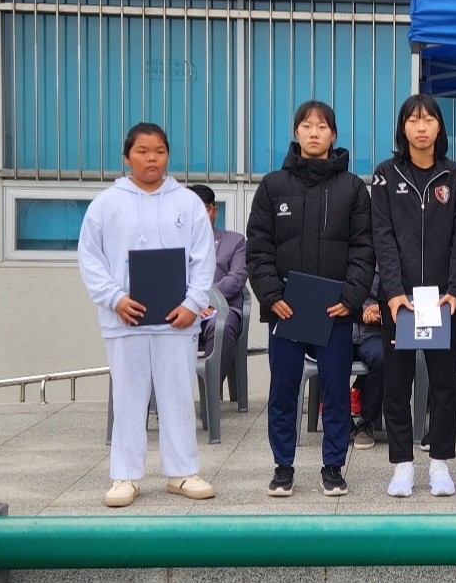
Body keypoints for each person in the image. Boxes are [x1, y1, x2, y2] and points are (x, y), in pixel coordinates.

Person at [78, 122, 217, 508]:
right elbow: (90, 259)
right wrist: (114, 298)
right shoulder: (106, 204)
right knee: (128, 397)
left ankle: (182, 471)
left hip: (177, 321)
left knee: (177, 395)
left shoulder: (187, 202)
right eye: (142, 151)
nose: (151, 158)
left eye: (158, 150)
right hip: (125, 320)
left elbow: (203, 259)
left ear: (168, 155)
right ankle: (125, 476)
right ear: (127, 157)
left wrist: (192, 304)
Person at [246, 100, 374, 498]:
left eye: (322, 126)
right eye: (306, 125)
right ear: (296, 132)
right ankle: (283, 467)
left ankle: (333, 466)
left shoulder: (352, 189)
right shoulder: (273, 186)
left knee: (335, 391)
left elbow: (363, 249)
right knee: (284, 390)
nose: (314, 132)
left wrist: (351, 296)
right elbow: (259, 248)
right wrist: (271, 295)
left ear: (333, 135)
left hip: (334, 311)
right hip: (288, 309)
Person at [371, 93, 456, 498]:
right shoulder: (385, 175)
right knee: (398, 382)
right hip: (401, 300)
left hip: (441, 301)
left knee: (445, 383)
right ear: (403, 128)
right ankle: (402, 465)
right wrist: (393, 293)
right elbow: (383, 237)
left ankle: (440, 463)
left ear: (439, 128)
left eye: (429, 119)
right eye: (413, 120)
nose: (421, 126)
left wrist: (453, 292)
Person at [187, 184, 248, 390]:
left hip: (222, 309)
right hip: (185, 309)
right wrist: (192, 304)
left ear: (215, 210)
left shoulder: (235, 241)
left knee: (222, 325)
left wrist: (205, 300)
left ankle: (210, 394)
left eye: (205, 208)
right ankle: (169, 398)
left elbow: (237, 277)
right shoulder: (175, 241)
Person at [351, 272, 384, 450]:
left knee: (382, 358)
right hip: (343, 327)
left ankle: (366, 420)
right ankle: (342, 421)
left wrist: (382, 309)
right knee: (330, 355)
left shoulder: (386, 251)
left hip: (374, 332)